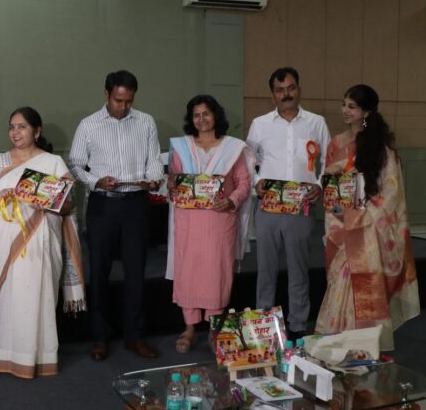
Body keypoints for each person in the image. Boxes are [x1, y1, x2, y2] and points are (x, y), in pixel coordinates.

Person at [0, 107, 86, 379]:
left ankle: (40, 358)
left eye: (22, 127)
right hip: (3, 241)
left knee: (38, 296)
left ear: (37, 131)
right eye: (12, 126)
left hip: (41, 241)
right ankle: (7, 355)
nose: (15, 132)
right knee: (9, 300)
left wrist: (46, 199)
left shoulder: (53, 163)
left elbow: (68, 206)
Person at [314, 84, 419, 350]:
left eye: (352, 106)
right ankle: (336, 343)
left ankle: (365, 346)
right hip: (341, 227)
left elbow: (390, 197)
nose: (345, 110)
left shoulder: (382, 149)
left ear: (367, 112)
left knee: (364, 287)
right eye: (344, 104)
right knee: (340, 283)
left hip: (369, 234)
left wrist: (355, 215)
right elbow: (330, 186)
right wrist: (335, 203)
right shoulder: (337, 144)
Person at [69, 70, 164, 361]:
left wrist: (153, 179)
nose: (123, 107)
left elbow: (155, 160)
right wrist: (96, 181)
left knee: (136, 273)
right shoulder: (89, 125)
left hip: (136, 204)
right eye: (118, 100)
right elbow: (75, 164)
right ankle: (99, 338)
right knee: (99, 272)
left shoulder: (145, 121)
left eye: (129, 101)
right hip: (103, 205)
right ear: (106, 94)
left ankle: (134, 336)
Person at [246, 67, 330, 339]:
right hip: (268, 207)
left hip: (301, 207)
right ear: (272, 95)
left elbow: (329, 162)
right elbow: (247, 162)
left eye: (291, 88)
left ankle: (297, 326)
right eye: (280, 90)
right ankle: (265, 329)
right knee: (266, 271)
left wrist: (319, 185)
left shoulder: (316, 123)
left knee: (299, 270)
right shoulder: (260, 124)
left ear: (299, 89)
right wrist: (256, 181)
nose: (286, 94)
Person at [166, 95, 254, 353]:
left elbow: (244, 182)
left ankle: (215, 330)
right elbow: (173, 179)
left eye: (206, 113)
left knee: (217, 273)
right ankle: (189, 329)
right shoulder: (181, 147)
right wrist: (174, 188)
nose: (201, 119)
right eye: (196, 115)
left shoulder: (232, 148)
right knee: (189, 272)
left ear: (216, 115)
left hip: (219, 220)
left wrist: (231, 201)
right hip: (189, 221)